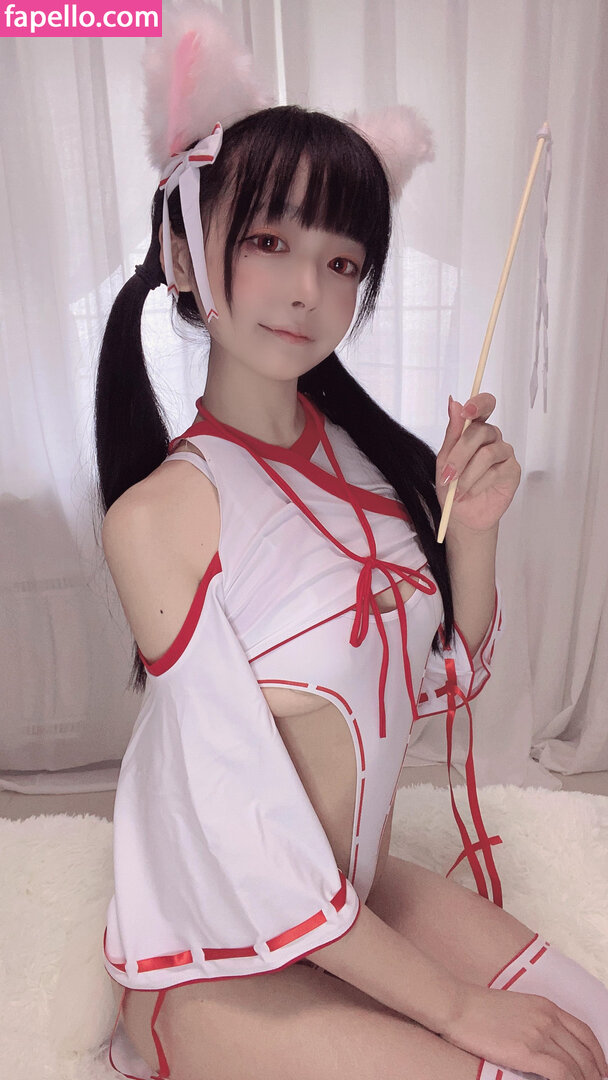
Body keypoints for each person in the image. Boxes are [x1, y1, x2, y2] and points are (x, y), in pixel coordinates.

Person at [94, 47, 608, 1080]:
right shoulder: (160, 517)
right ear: (184, 255)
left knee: (592, 1032)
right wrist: (457, 1009)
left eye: (341, 262)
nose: (306, 291)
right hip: (221, 960)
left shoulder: (371, 465)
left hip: (352, 903)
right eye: (268, 240)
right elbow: (245, 833)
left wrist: (473, 533)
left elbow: (441, 683)